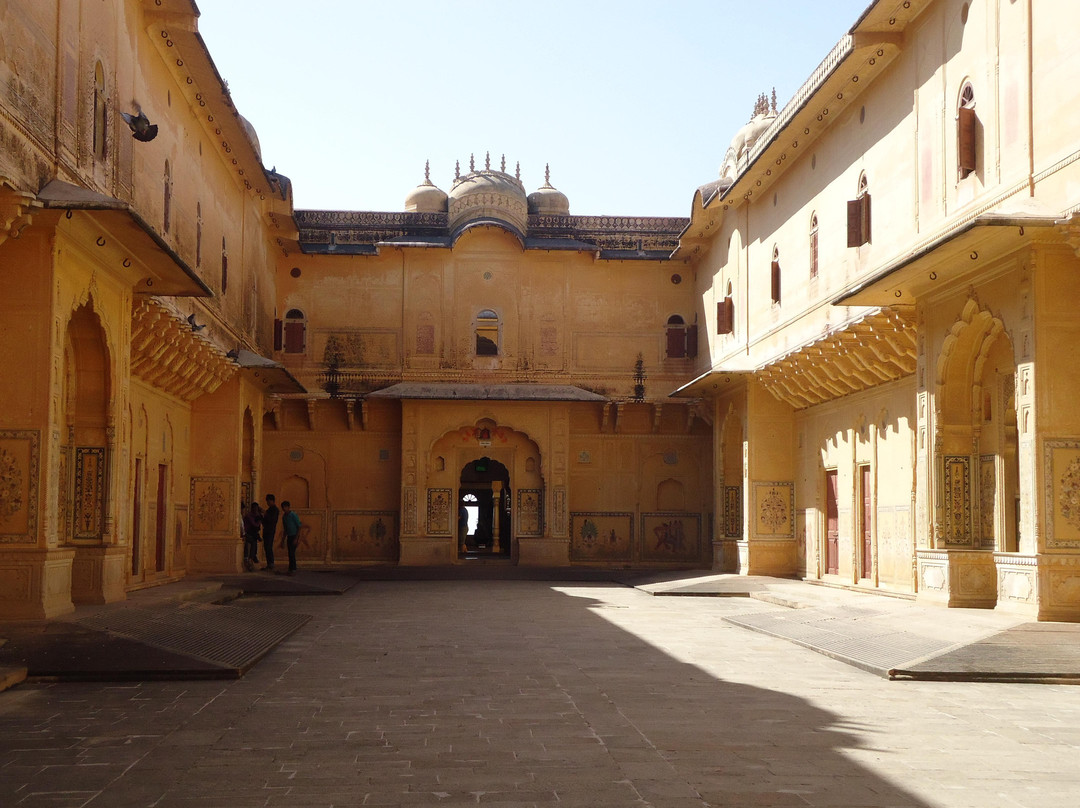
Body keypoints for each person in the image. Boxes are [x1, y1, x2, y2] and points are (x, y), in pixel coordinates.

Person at [279, 500, 301, 575]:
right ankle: (291, 568)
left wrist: (296, 538)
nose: (284, 509)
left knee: (292, 553)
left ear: (288, 507)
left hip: (294, 535)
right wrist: (283, 540)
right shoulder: (284, 517)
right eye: (283, 507)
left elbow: (299, 526)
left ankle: (293, 568)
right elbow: (285, 529)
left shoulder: (293, 515)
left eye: (285, 507)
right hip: (289, 535)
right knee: (290, 553)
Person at [242, 501, 262, 571]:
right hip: (247, 533)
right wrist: (259, 520)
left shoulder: (255, 516)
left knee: (254, 539)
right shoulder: (249, 516)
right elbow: (255, 524)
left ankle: (253, 557)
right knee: (253, 541)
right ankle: (251, 558)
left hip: (251, 533)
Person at [261, 494, 280, 571]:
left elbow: (272, 520)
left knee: (269, 546)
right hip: (267, 530)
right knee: (266, 547)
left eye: (268, 501)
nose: (267, 503)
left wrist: (265, 513)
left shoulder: (275, 510)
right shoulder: (269, 510)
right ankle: (269, 563)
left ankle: (271, 563)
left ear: (272, 501)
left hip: (270, 530)